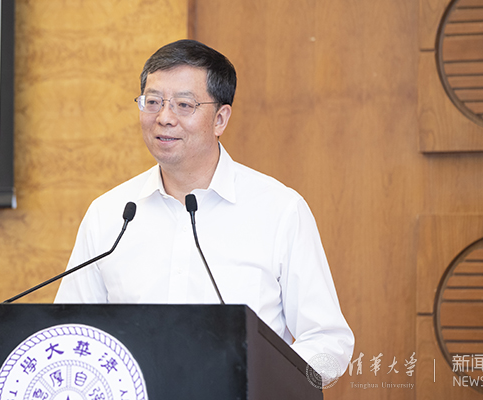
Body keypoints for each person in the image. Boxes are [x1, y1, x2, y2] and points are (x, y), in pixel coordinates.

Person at [54, 39, 354, 375]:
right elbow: (69, 333)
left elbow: (328, 340)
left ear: (220, 119)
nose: (164, 118)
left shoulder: (279, 210)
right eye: (152, 102)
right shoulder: (108, 214)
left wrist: (263, 384)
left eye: (184, 105)